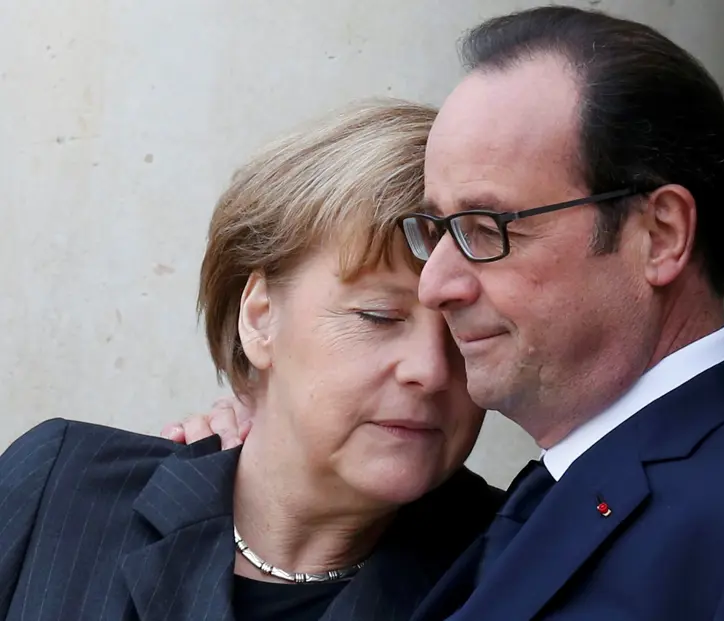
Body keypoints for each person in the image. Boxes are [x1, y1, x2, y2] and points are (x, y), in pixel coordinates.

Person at [172, 6, 724, 621]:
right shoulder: (561, 486)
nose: (437, 283)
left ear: (660, 235)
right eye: (437, 230)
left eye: (486, 228)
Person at [0, 99, 500, 621]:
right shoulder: (57, 489)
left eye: (466, 329)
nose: (431, 370)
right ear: (260, 316)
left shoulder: (514, 570)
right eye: (379, 316)